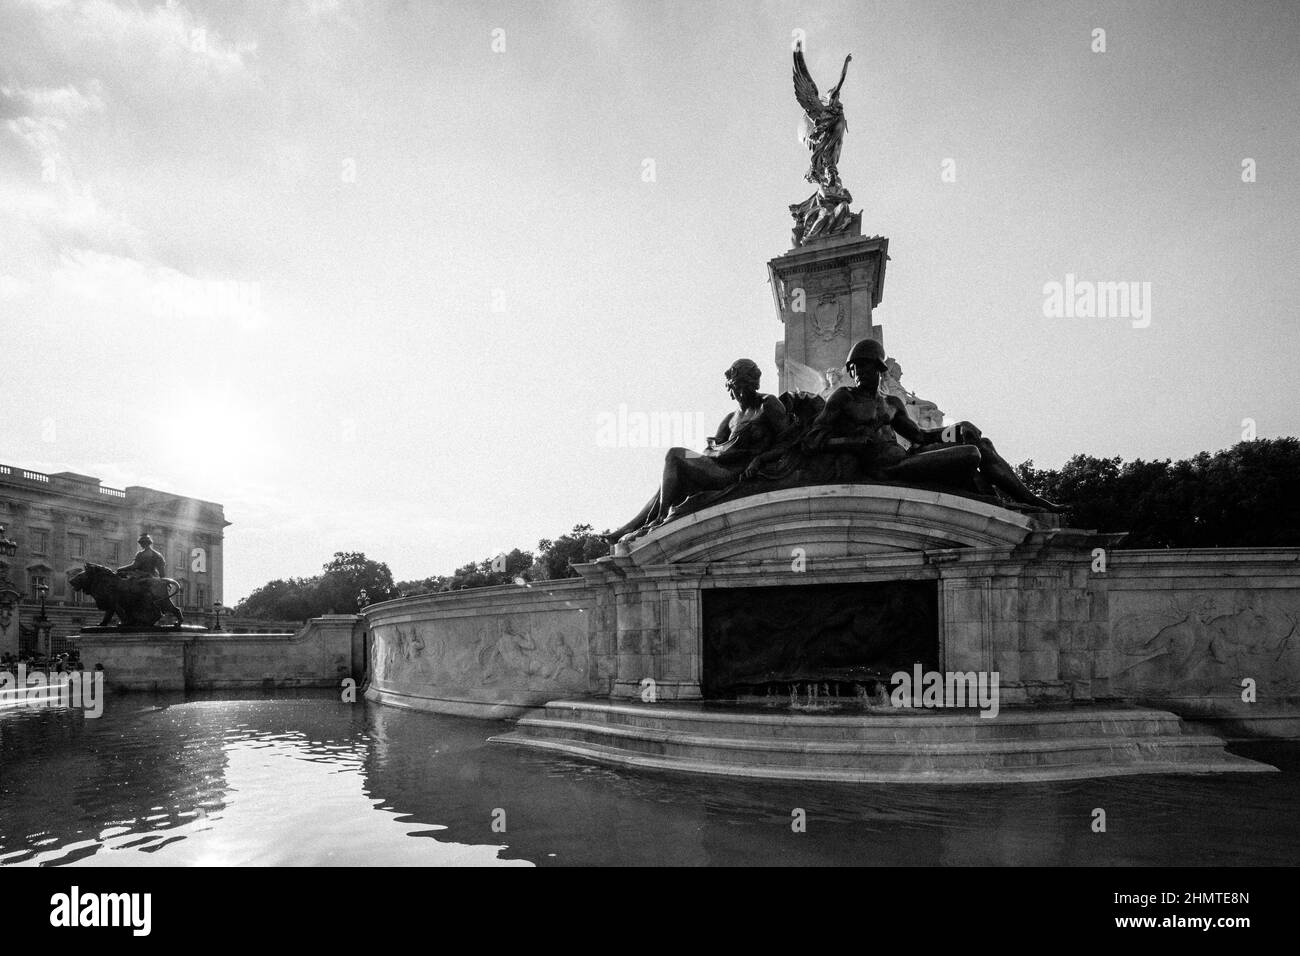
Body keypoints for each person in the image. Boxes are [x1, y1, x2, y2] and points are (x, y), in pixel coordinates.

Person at [806, 339, 1062, 510]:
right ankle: (999, 505)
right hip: (886, 468)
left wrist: (957, 428)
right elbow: (812, 440)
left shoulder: (892, 402)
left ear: (879, 368)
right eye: (854, 368)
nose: (858, 372)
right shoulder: (843, 398)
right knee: (971, 454)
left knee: (980, 443)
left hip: (906, 457)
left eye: (865, 366)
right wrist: (852, 442)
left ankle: (1032, 501)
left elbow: (920, 436)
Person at [607, 359, 789, 542]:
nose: (742, 392)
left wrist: (760, 460)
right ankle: (642, 523)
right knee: (675, 465)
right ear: (730, 388)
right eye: (738, 387)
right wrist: (720, 451)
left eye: (746, 386)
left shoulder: (768, 404)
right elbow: (709, 450)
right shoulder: (730, 419)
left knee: (675, 455)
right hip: (720, 466)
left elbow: (788, 440)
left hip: (737, 472)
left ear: (754, 385)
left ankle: (656, 519)